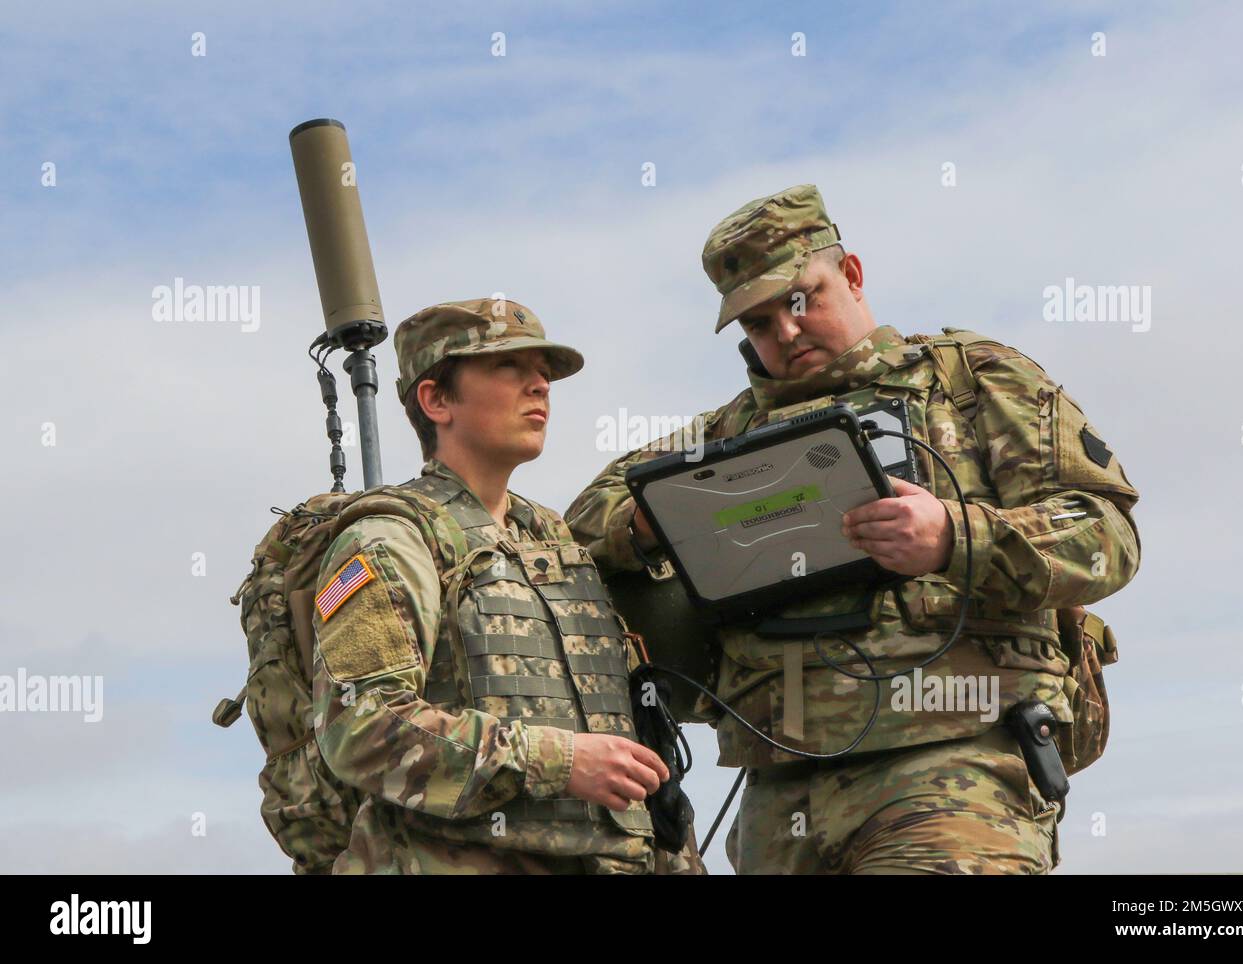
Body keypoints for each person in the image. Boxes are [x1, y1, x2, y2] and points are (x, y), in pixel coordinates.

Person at [564, 184, 1142, 875]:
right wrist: (646, 524)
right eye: (757, 323)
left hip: (952, 770)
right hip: (781, 790)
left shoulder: (974, 380)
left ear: (854, 274)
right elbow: (573, 531)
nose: (786, 332)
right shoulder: (723, 434)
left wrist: (956, 536)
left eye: (801, 300)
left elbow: (1105, 534)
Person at [312, 297, 698, 874]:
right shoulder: (393, 539)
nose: (539, 384)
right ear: (436, 399)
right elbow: (362, 725)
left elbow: (634, 736)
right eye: (507, 368)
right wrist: (558, 761)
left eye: (542, 371)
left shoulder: (556, 542)